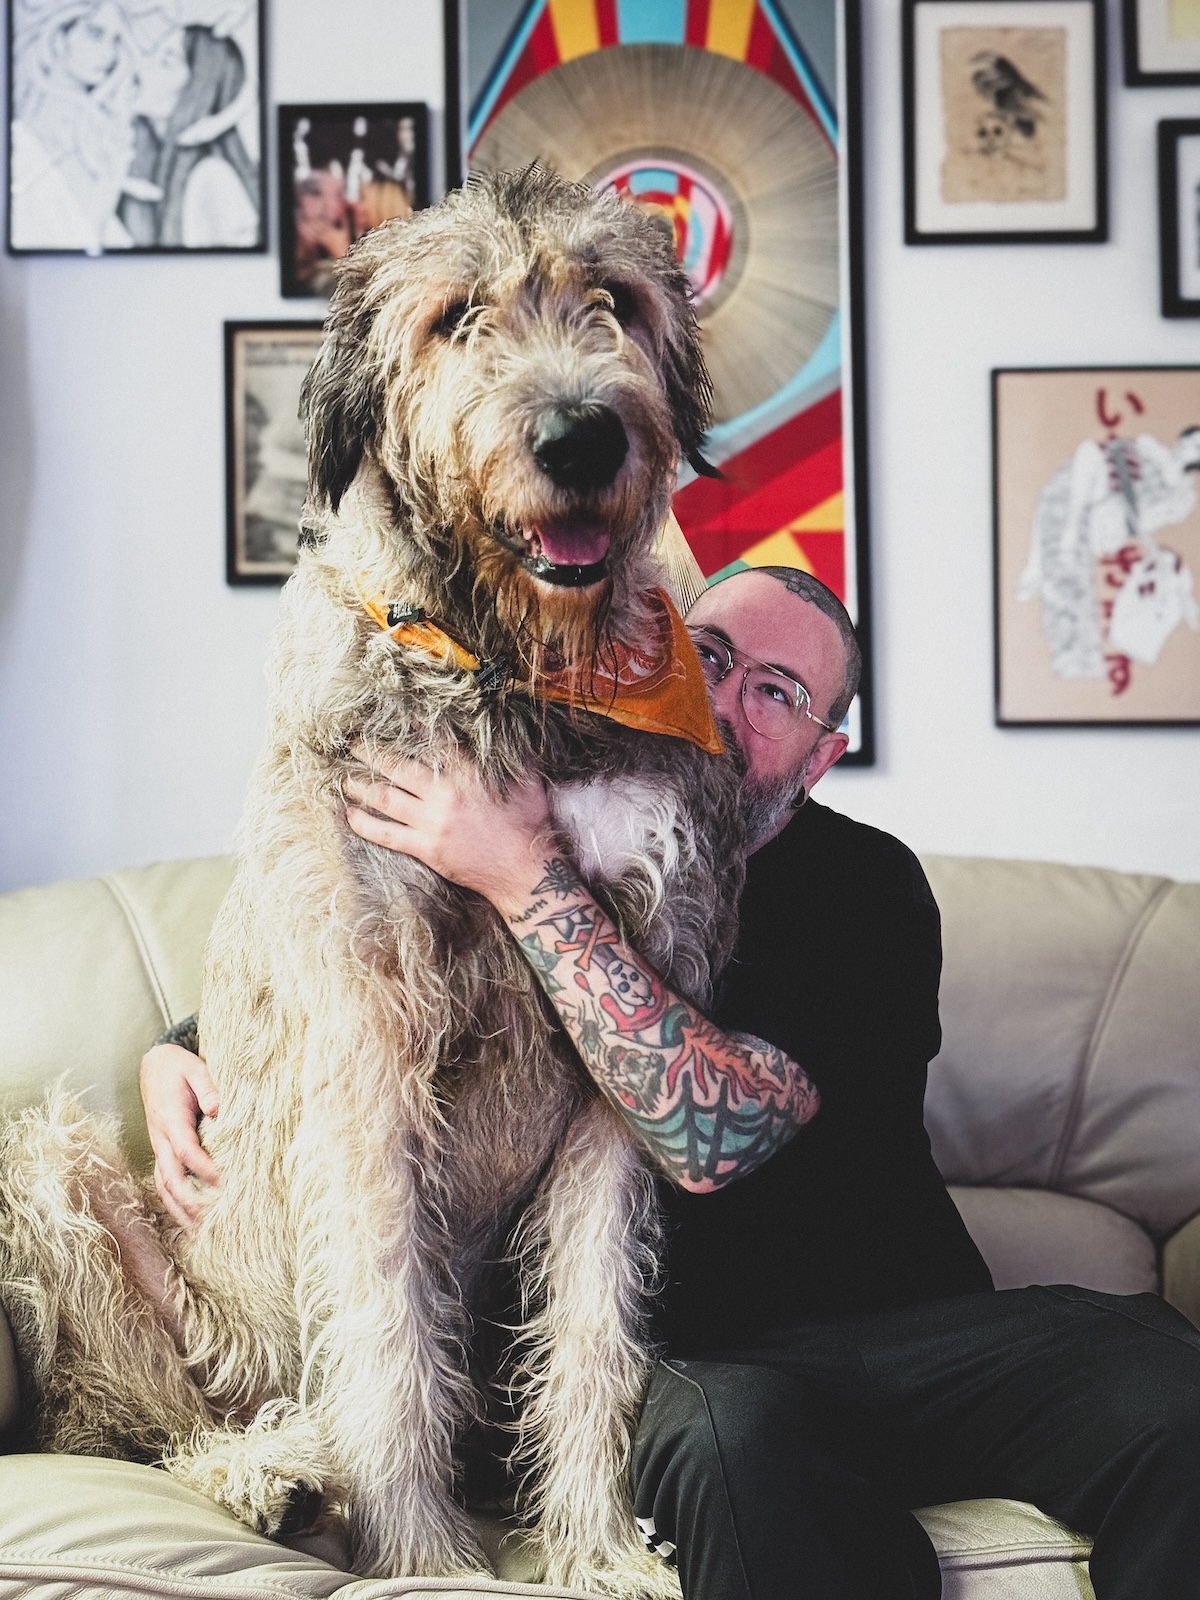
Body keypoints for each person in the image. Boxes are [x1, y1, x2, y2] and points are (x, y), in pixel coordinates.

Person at [142, 567, 1200, 1599]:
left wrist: (521, 876)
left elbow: (712, 1139)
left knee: (1167, 1377)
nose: (726, 701)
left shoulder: (862, 885)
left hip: (922, 1339)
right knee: (732, 1449)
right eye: (709, 655)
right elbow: (363, 980)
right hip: (708, 1376)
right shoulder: (526, 828)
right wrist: (180, 1047)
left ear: (823, 754)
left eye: (777, 692)